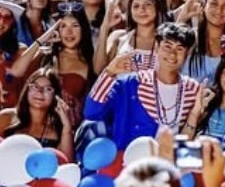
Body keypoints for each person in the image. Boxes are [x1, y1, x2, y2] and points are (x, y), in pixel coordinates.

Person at [85, 22, 202, 150]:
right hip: (131, 163)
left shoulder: (192, 89)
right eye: (167, 46)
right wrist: (109, 73)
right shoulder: (131, 83)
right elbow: (91, 112)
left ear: (188, 53)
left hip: (170, 164)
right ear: (156, 47)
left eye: (179, 49)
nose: (172, 54)